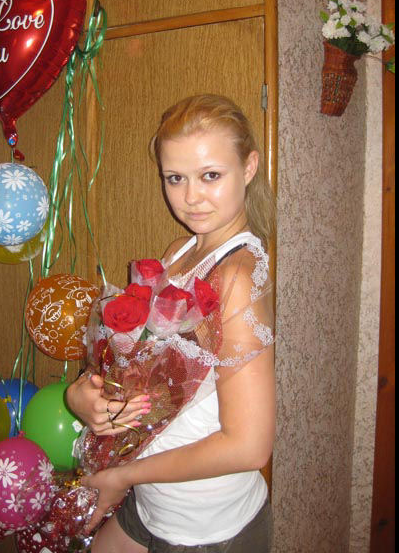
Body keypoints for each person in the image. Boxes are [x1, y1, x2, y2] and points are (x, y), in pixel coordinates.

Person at [66, 94, 276, 552]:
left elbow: (249, 447)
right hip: (150, 502)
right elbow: (143, 369)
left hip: (206, 528)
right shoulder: (179, 251)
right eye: (175, 178)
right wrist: (85, 395)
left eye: (211, 176)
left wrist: (122, 476)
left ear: (249, 167)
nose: (191, 197)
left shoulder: (236, 277)